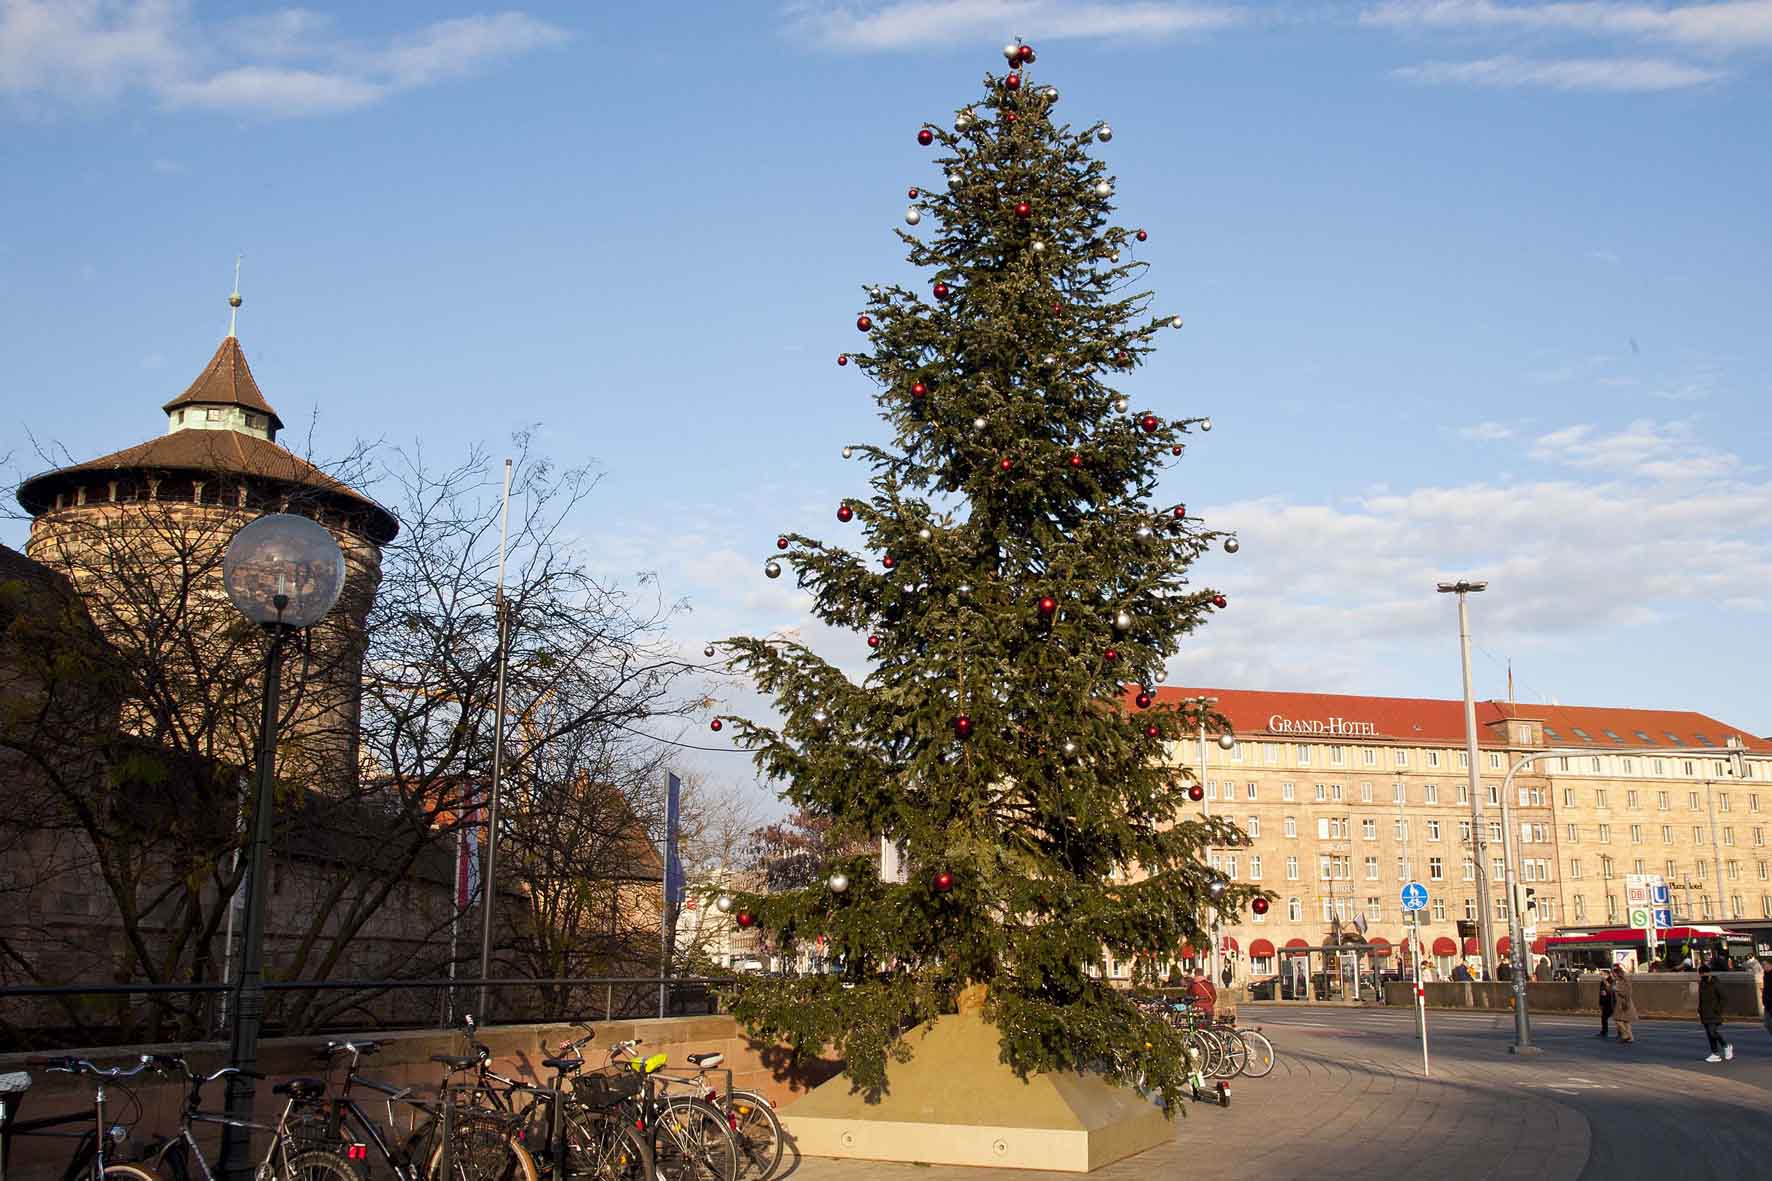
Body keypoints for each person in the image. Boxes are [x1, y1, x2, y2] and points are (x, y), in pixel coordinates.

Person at [1699, 963, 1733, 1062]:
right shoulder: (1702, 984)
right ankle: (1714, 1053)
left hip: (1714, 1012)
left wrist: (1718, 1009)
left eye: (1703, 974)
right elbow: (1701, 998)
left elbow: (1723, 998)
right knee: (1709, 1034)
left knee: (1713, 1032)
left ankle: (1726, 1045)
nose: (1702, 976)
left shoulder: (1716, 983)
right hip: (1705, 1012)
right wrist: (1699, 1009)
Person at [1612, 964, 1636, 1044]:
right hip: (1620, 1003)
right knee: (1626, 1021)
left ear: (1618, 974)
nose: (1613, 976)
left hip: (1624, 1003)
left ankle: (1626, 1035)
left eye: (1614, 974)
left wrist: (1617, 990)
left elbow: (1628, 993)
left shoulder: (1625, 981)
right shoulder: (1616, 981)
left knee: (1617, 1019)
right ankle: (1631, 1037)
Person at [1597, 970, 1616, 1039]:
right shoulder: (1602, 982)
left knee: (1617, 1019)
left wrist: (1605, 982)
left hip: (1611, 1002)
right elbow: (1601, 992)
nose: (1600, 976)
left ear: (1606, 974)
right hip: (1605, 1002)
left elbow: (1611, 990)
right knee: (1604, 1018)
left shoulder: (1611, 981)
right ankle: (1604, 1031)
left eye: (1602, 974)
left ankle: (1621, 1032)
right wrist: (1600, 1003)